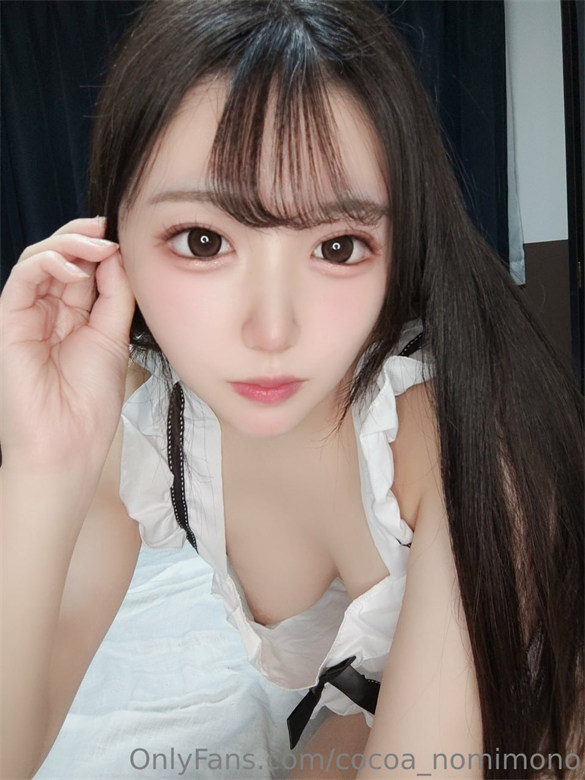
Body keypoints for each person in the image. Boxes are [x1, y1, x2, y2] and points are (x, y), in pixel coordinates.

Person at [1, 1, 583, 778]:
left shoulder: (452, 434)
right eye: (203, 241)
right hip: (371, 693)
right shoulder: (144, 425)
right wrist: (42, 466)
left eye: (337, 246)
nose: (272, 330)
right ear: (113, 242)